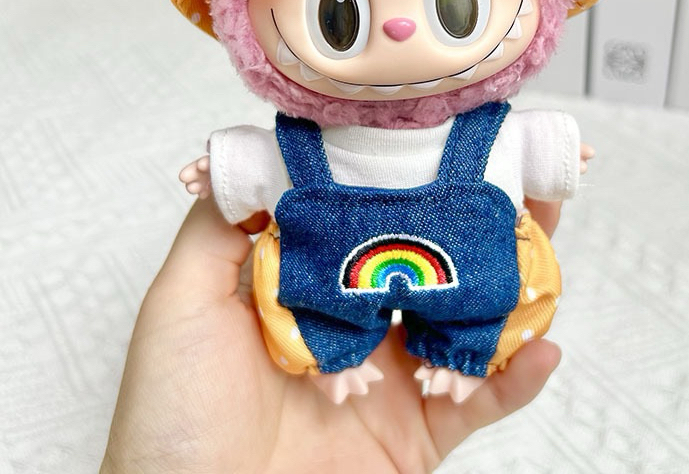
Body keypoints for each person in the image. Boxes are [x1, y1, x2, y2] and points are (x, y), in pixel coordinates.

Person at [100, 195, 563, 473]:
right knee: (314, 299)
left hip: (442, 253)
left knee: (483, 291)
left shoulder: (485, 124)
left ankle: (459, 355)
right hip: (337, 264)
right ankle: (332, 356)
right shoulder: (301, 137)